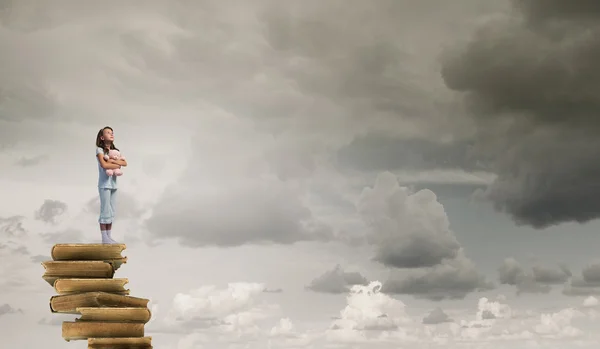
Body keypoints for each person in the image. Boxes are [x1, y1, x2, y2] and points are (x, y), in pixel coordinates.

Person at [95, 126, 127, 244]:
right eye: (108, 132)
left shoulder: (116, 151)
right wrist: (116, 165)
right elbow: (104, 165)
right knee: (105, 210)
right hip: (104, 184)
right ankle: (104, 237)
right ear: (102, 137)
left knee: (112, 210)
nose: (111, 134)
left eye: (112, 132)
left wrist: (112, 162)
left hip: (113, 185)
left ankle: (109, 236)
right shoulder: (100, 150)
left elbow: (124, 163)